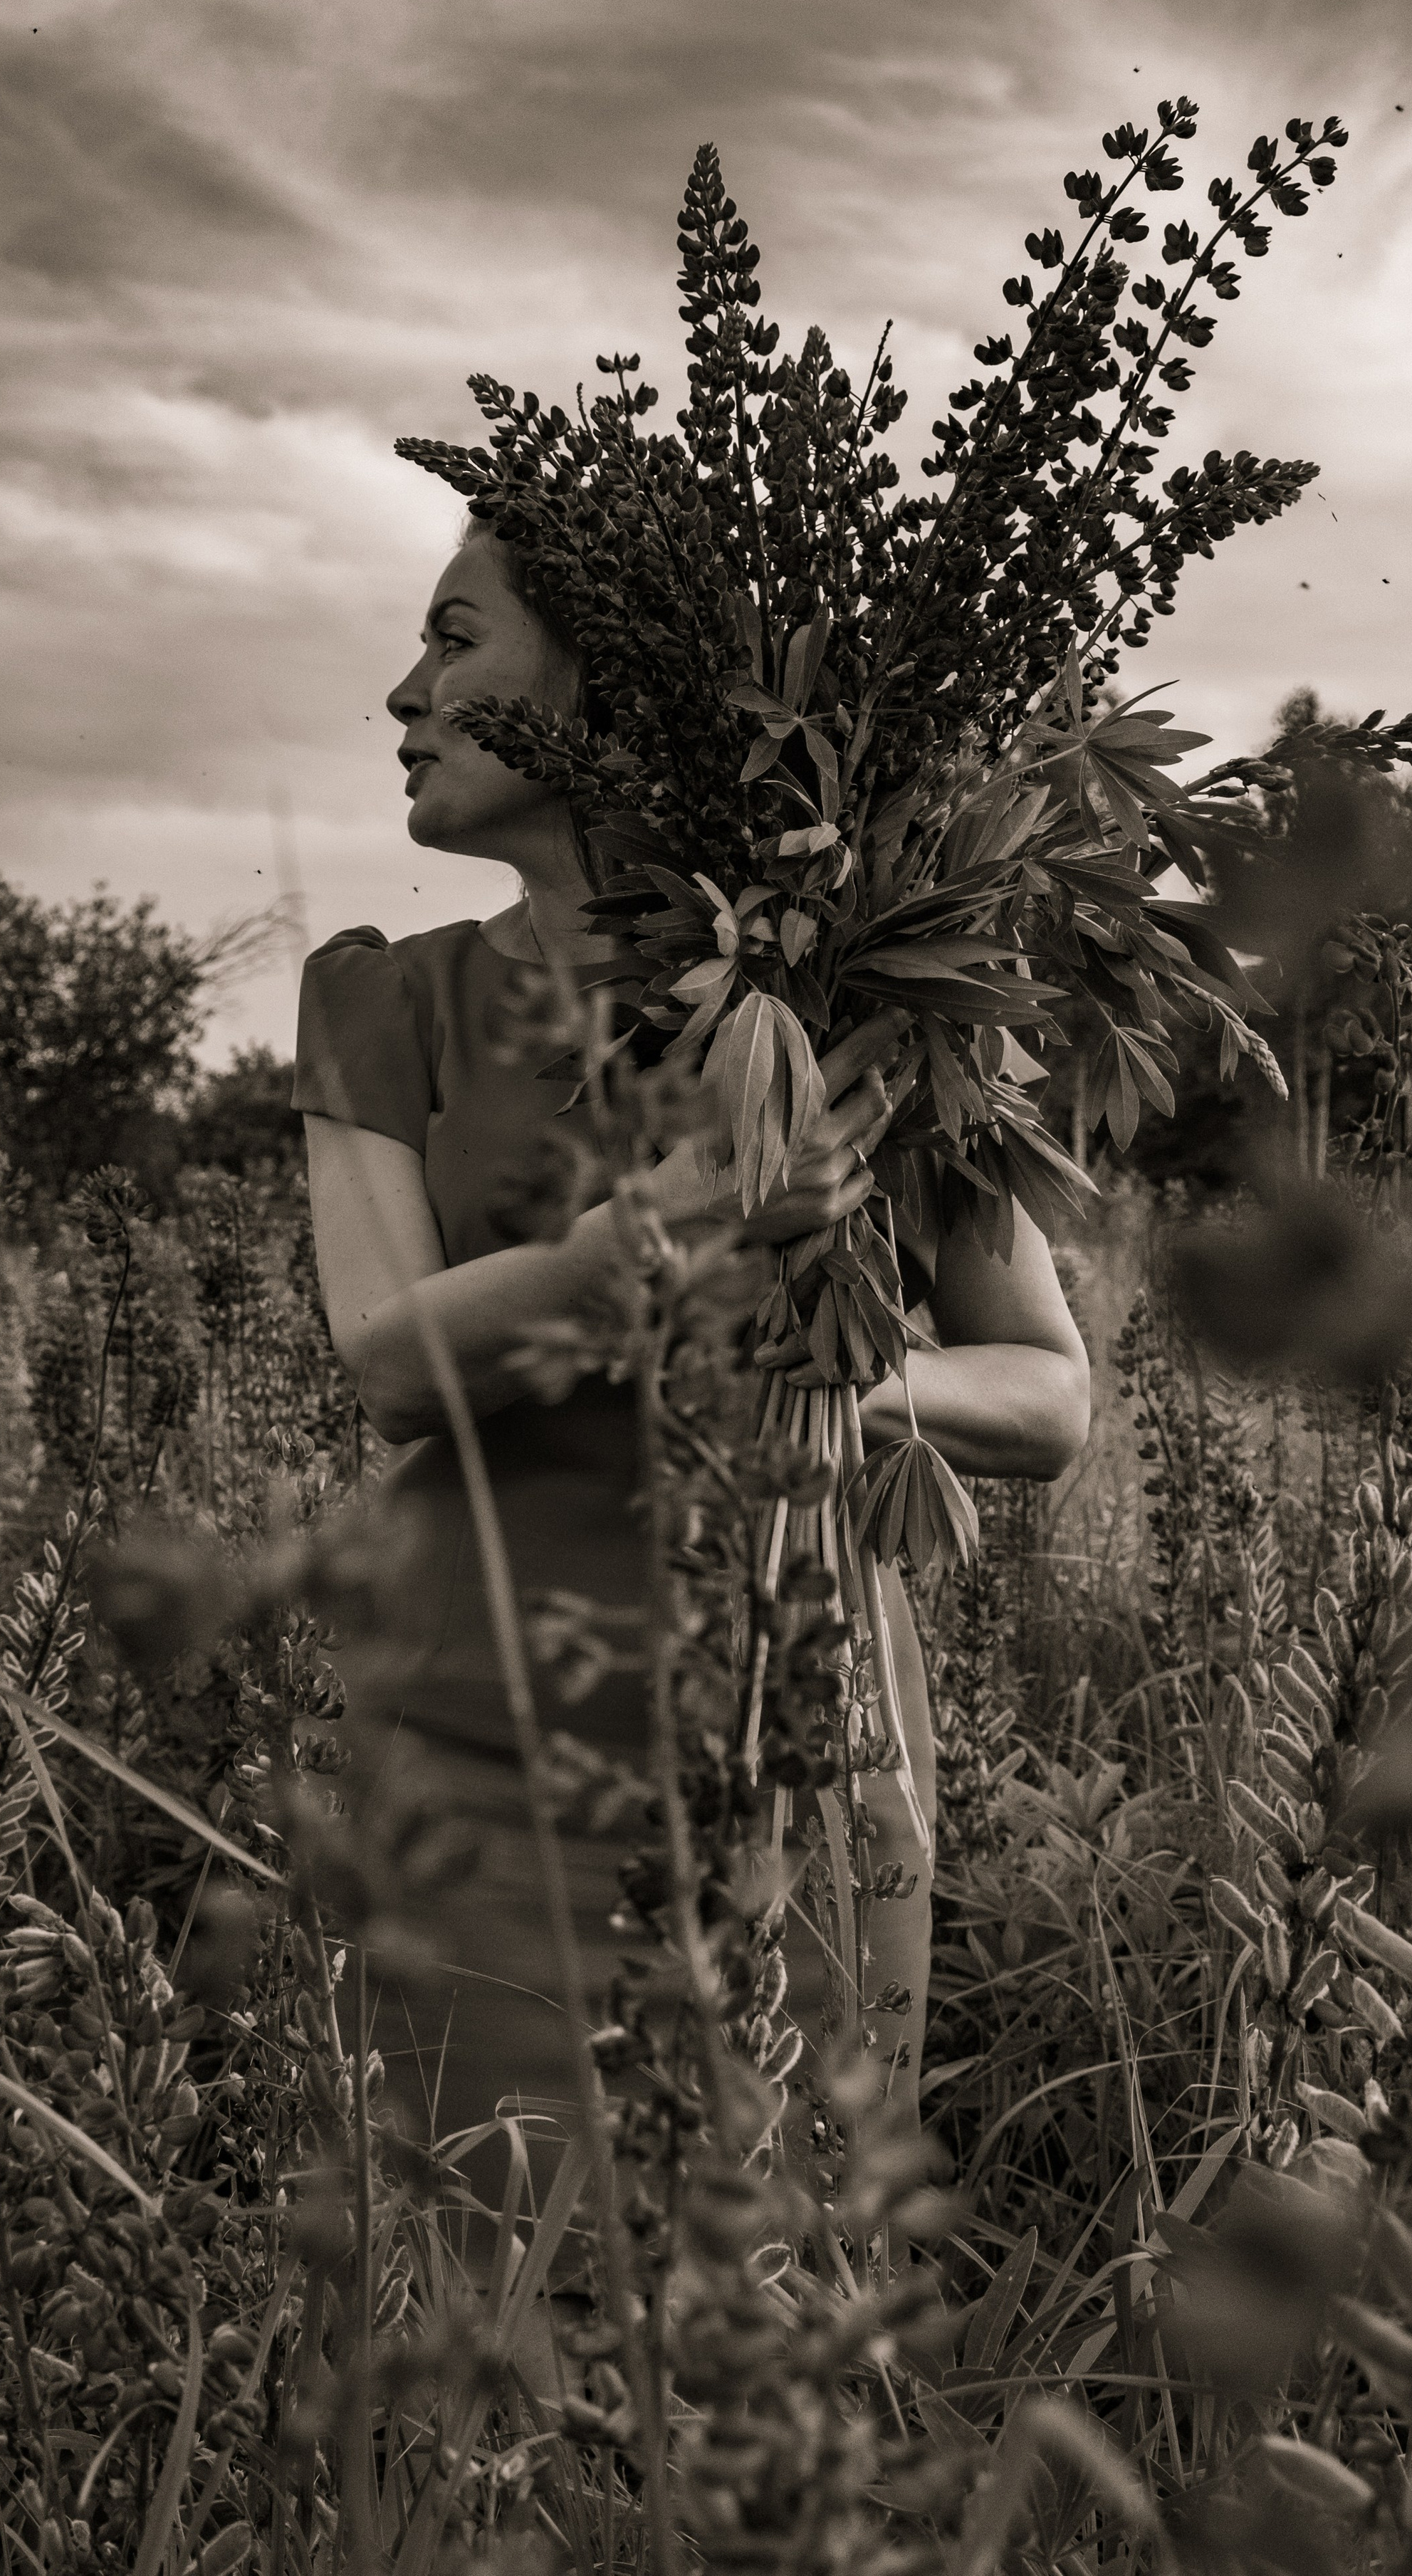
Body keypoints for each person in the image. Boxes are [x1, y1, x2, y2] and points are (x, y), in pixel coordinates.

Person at [293, 520, 1091, 2246]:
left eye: (452, 641)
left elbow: (1045, 1398)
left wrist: (822, 1382)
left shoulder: (880, 995)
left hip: (804, 1739)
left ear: (604, 687)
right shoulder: (387, 1002)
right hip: (478, 1754)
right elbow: (389, 1361)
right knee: (493, 2312)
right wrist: (623, 1254)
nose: (403, 691)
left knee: (791, 2284)